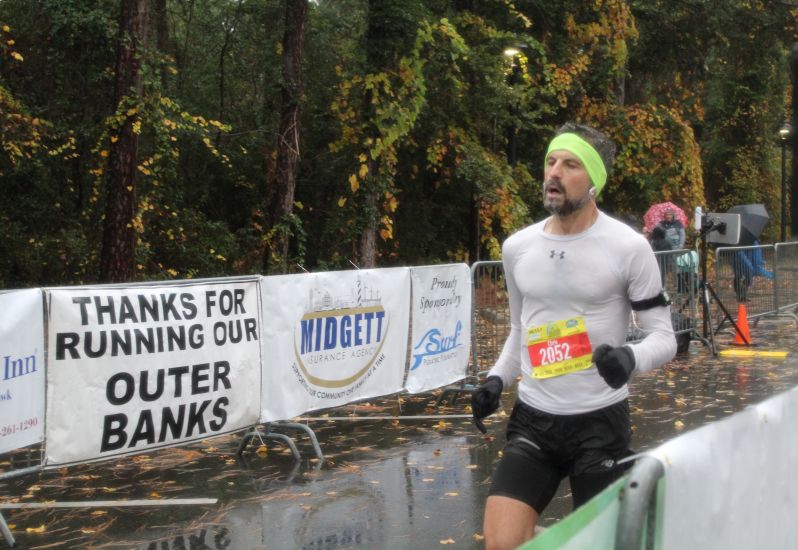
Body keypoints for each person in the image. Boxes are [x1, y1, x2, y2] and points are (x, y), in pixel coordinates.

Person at [471, 122, 677, 550]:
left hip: (599, 423)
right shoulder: (517, 247)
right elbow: (520, 329)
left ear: (594, 181)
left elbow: (664, 337)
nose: (554, 172)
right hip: (534, 420)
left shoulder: (628, 247)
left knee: (601, 545)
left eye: (570, 164)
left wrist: (630, 358)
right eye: (550, 161)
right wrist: (496, 379)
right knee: (502, 543)